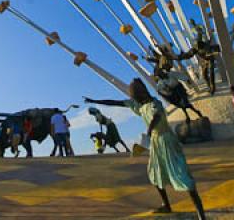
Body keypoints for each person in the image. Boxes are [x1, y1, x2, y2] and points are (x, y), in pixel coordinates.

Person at [84, 79, 207, 219]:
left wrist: (149, 130)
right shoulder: (138, 105)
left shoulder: (155, 103)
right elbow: (115, 102)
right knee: (155, 173)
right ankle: (166, 205)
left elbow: (157, 116)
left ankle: (200, 213)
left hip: (167, 141)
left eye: (134, 95)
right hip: (155, 143)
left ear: (140, 93)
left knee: (182, 174)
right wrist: (95, 101)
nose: (132, 98)